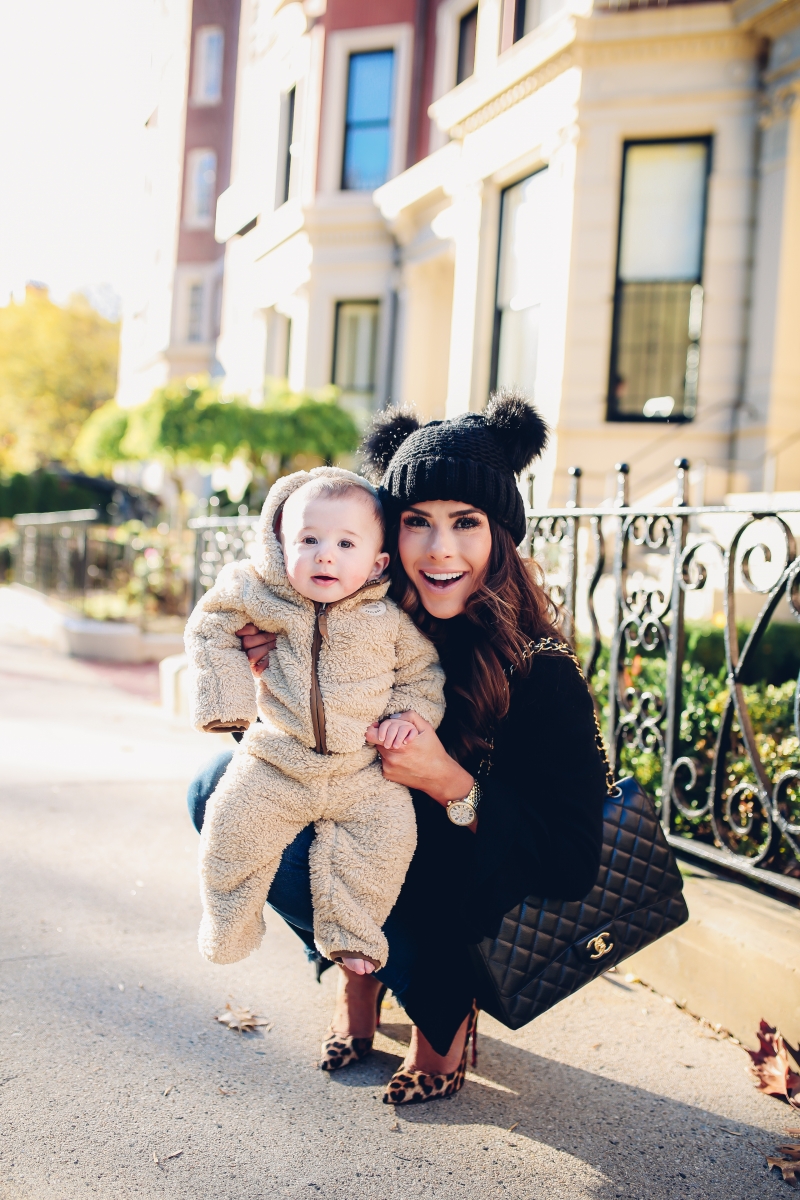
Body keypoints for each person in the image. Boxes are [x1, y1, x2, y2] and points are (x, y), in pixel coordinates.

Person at [186, 389, 607, 1104]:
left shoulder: (542, 671)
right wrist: (271, 674)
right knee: (218, 787)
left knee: (386, 839)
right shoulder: (365, 615)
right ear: (388, 540)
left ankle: (440, 1007)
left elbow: (571, 861)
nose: (440, 549)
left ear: (500, 536)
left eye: (465, 523)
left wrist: (450, 781)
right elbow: (297, 743)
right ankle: (358, 972)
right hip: (366, 833)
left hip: (467, 885)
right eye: (417, 523)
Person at [185, 468, 445, 977]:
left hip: (363, 769)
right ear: (281, 546)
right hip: (277, 757)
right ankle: (230, 922)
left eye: (347, 543)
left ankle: (354, 935)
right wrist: (228, 697)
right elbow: (209, 625)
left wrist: (409, 719)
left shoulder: (387, 620)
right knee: (231, 831)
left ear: (377, 563)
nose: (326, 554)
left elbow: (423, 675)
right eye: (308, 539)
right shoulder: (260, 594)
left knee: (385, 843)